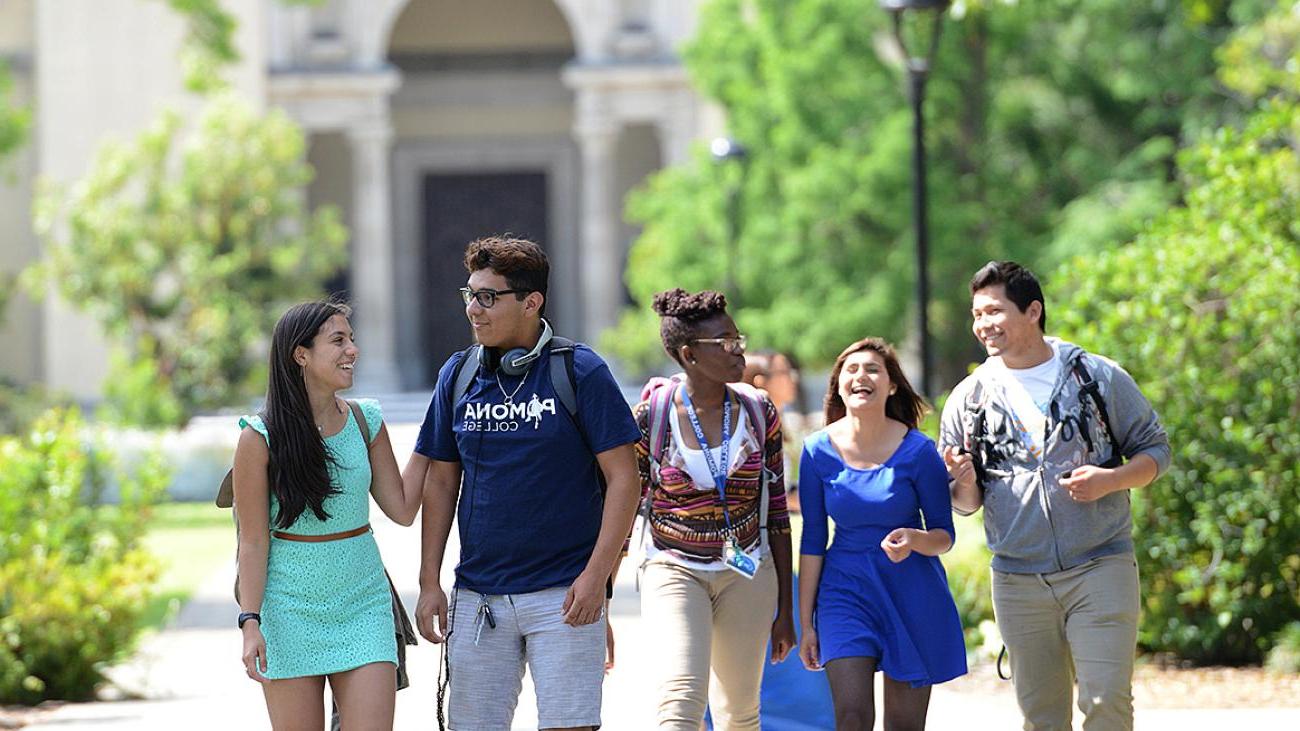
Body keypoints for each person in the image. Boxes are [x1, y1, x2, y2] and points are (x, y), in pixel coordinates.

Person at [411, 236, 641, 731]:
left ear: (531, 301)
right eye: (470, 294)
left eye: (488, 296)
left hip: (565, 594)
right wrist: (429, 580)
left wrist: (596, 579)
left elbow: (625, 480)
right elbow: (441, 482)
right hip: (478, 598)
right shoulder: (458, 374)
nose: (474, 308)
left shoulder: (579, 371)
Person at [939, 261, 1171, 731]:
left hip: (1100, 564)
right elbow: (966, 505)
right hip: (1017, 580)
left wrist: (1111, 480)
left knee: (1106, 702)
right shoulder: (969, 398)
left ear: (1033, 311)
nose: (983, 325)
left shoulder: (1097, 377)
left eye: (994, 311)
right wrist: (961, 480)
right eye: (976, 314)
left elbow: (1156, 450)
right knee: (1042, 717)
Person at [231, 300, 425, 731]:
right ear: (301, 354)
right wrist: (250, 622)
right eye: (338, 340)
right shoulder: (257, 438)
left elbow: (404, 509)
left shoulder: (365, 420)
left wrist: (432, 441)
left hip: (364, 604)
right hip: (288, 609)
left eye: (352, 339)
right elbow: (253, 541)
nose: (352, 350)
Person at [632, 288, 796, 730]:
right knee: (681, 699)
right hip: (673, 566)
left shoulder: (760, 411)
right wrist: (603, 597)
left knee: (739, 713)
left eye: (737, 338)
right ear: (689, 355)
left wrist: (785, 611)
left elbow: (777, 513)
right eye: (725, 342)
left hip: (745, 569)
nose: (738, 349)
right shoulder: (653, 415)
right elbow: (629, 509)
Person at [797, 337, 966, 730]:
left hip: (911, 592)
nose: (861, 376)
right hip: (845, 593)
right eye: (851, 370)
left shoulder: (919, 451)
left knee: (904, 726)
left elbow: (943, 534)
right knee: (852, 717)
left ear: (891, 385)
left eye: (873, 369)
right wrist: (807, 623)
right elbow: (811, 542)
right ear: (838, 385)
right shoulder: (816, 452)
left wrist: (914, 539)